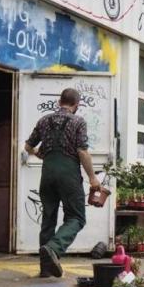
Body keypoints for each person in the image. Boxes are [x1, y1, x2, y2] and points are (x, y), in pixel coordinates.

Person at [25, 88, 100, 277]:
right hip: (68, 174)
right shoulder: (78, 121)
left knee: (48, 218)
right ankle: (54, 248)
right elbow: (82, 151)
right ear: (76, 105)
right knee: (76, 217)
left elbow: (28, 146)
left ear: (59, 102)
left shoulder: (43, 121)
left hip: (48, 174)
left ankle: (46, 269)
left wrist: (40, 154)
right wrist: (92, 177)